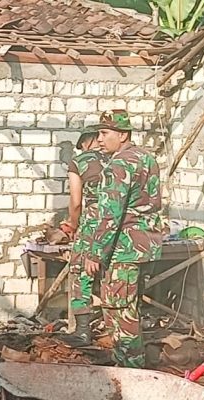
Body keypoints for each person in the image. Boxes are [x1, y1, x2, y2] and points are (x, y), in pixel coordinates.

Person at [83, 110, 162, 368]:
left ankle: (129, 372)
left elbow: (109, 215)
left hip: (123, 249)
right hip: (145, 247)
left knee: (119, 314)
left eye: (105, 133)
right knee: (132, 308)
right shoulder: (147, 159)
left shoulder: (119, 164)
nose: (99, 139)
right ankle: (131, 366)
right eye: (98, 133)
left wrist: (95, 253)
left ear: (123, 134)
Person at [60, 125, 107, 348]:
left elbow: (76, 202)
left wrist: (73, 224)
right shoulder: (120, 158)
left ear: (86, 141)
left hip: (92, 224)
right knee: (113, 274)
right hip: (120, 224)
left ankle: (82, 331)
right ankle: (116, 330)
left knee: (81, 273)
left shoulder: (78, 163)